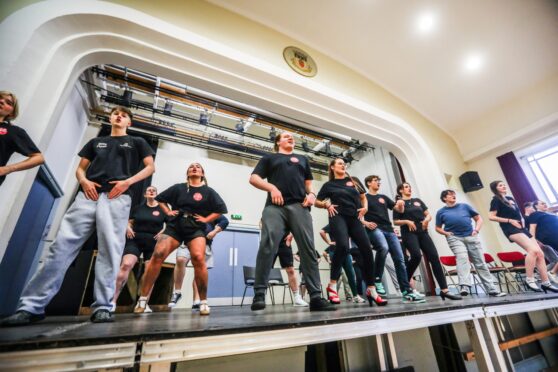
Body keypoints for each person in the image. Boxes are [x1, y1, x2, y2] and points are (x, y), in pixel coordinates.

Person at [2, 106, 155, 326]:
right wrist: (83, 181)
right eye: (115, 113)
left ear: (129, 122)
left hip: (117, 196)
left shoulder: (137, 142)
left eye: (124, 115)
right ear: (110, 118)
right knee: (61, 247)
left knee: (110, 251)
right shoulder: (95, 143)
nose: (118, 116)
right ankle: (31, 306)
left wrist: (128, 182)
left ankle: (103, 306)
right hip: (88, 195)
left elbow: (150, 167)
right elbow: (80, 169)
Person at [249, 131, 334, 311]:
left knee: (308, 248)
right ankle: (259, 294)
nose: (290, 138)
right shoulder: (269, 158)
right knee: (267, 243)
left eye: (292, 137)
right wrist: (272, 187)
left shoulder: (302, 159)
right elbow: (254, 178)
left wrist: (311, 195)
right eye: (286, 136)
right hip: (275, 206)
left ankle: (316, 296)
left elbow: (308, 185)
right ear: (278, 141)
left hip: (299, 206)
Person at [315, 158, 387, 306]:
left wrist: (365, 207)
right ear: (332, 167)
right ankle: (332, 285)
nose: (343, 165)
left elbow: (362, 196)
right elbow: (317, 201)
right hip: (337, 216)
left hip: (354, 218)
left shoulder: (353, 181)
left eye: (344, 163)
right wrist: (326, 204)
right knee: (342, 247)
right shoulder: (329, 185)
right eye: (339, 163)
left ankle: (371, 290)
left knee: (367, 250)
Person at [393, 182, 461, 300]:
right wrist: (407, 221)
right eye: (406, 187)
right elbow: (395, 221)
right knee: (416, 256)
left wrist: (426, 220)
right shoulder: (399, 203)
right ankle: (404, 282)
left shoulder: (418, 201)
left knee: (434, 257)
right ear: (400, 191)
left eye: (409, 186)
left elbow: (428, 215)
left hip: (423, 231)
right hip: (409, 232)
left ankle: (444, 290)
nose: (409, 188)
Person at [363, 175, 425, 303]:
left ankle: (406, 291)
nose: (378, 183)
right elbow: (357, 213)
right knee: (384, 248)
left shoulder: (384, 198)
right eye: (375, 181)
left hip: (389, 230)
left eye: (379, 181)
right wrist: (365, 223)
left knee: (400, 259)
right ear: (369, 183)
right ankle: (377, 279)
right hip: (375, 228)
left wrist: (401, 205)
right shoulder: (364, 198)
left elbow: (397, 209)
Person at [488, 181, 558, 293]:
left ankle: (546, 283)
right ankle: (529, 279)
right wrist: (509, 220)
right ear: (495, 189)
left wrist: (523, 223)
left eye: (503, 184)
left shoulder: (510, 198)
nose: (504, 186)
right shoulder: (496, 200)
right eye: (500, 185)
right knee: (533, 251)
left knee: (540, 253)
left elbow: (518, 214)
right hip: (510, 228)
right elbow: (491, 216)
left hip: (521, 228)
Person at [435, 190, 506, 297]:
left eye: (454, 194)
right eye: (450, 195)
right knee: (462, 258)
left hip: (471, 236)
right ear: (444, 198)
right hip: (455, 238)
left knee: (480, 262)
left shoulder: (465, 206)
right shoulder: (441, 212)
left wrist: (476, 230)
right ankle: (464, 286)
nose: (453, 196)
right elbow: (437, 228)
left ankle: (492, 289)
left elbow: (479, 219)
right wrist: (446, 233)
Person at [112, 186, 166, 312]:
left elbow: (170, 224)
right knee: (126, 264)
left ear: (157, 194)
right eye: (149, 190)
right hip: (135, 240)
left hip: (152, 244)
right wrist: (128, 227)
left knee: (149, 272)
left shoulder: (162, 209)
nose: (151, 191)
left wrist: (163, 232)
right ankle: (112, 301)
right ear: (145, 194)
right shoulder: (138, 208)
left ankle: (143, 303)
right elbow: (129, 221)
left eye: (154, 190)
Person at [168, 215, 230, 309]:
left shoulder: (211, 212)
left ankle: (197, 301)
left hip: (205, 244)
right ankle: (177, 292)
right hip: (187, 241)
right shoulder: (191, 208)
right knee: (181, 259)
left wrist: (214, 231)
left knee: (199, 271)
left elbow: (224, 221)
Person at [0, 91, 44, 186]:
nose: (2, 101)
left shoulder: (13, 131)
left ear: (11, 113)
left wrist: (7, 169)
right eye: (0, 97)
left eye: (8, 102)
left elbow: (38, 158)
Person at [320, 225, 364, 303]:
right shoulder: (333, 223)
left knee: (350, 274)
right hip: (335, 251)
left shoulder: (346, 224)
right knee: (336, 275)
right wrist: (329, 242)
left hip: (346, 252)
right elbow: (322, 232)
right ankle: (331, 296)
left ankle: (355, 296)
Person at [271, 232, 309, 307]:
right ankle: (260, 296)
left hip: (284, 242)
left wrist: (291, 235)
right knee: (265, 267)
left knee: (290, 269)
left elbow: (294, 223)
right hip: (271, 241)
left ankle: (297, 298)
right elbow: (261, 223)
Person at [525, 201, 558, 284]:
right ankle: (552, 272)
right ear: (536, 206)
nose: (545, 204)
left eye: (545, 203)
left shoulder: (548, 214)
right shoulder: (535, 214)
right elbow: (532, 228)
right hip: (549, 236)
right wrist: (533, 241)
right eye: (542, 203)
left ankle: (552, 272)